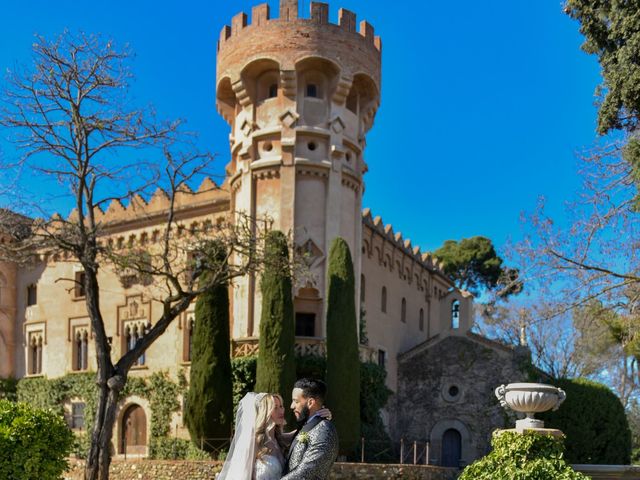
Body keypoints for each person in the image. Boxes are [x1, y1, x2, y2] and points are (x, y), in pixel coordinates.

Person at [217, 387, 333, 480]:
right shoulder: (253, 441)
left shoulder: (280, 439)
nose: (281, 411)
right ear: (265, 412)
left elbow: (307, 429)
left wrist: (319, 416)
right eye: (275, 407)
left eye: (281, 406)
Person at [281, 378, 338, 480]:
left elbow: (306, 471)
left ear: (310, 402)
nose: (291, 406)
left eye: (296, 401)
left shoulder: (324, 430)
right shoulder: (307, 425)